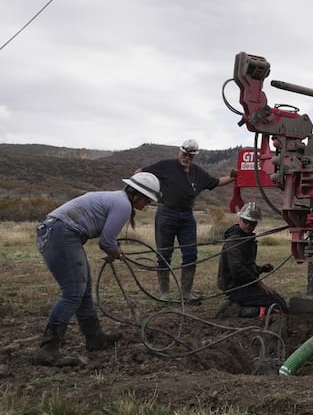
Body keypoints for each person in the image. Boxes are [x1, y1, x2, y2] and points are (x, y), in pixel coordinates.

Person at [33, 172, 161, 367]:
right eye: (148, 201)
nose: (147, 205)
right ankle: (47, 349)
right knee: (73, 291)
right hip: (61, 234)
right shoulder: (124, 205)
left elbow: (108, 240)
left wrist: (112, 249)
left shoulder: (118, 199)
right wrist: (114, 250)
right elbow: (107, 241)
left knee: (82, 290)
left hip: (59, 232)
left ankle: (95, 338)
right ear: (138, 195)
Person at [138, 139, 236, 300]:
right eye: (185, 154)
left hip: (187, 217)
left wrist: (234, 177)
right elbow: (140, 172)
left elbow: (216, 182)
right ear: (180, 152)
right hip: (166, 213)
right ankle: (164, 294)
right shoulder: (166, 166)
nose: (187, 157)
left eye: (190, 155)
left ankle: (186, 294)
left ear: (194, 156)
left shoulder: (197, 172)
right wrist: (142, 192)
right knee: (164, 253)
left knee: (190, 254)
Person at [216, 202, 288, 317]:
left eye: (252, 223)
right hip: (234, 286)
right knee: (276, 305)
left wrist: (261, 269)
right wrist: (258, 283)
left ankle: (243, 304)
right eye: (246, 222)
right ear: (240, 220)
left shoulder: (248, 239)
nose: (249, 225)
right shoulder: (234, 240)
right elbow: (237, 269)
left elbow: (246, 265)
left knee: (280, 303)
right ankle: (237, 310)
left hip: (245, 284)